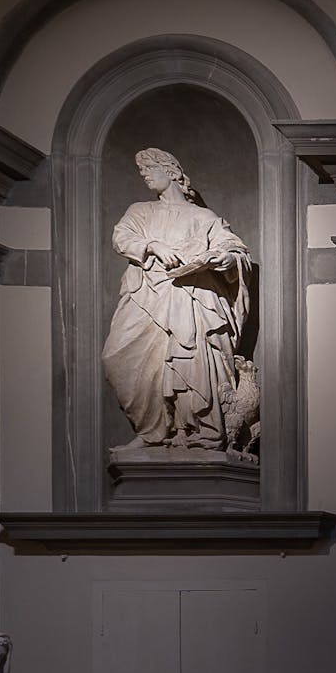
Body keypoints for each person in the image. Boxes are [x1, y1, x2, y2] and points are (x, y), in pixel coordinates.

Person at [101, 147, 253, 452]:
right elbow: (122, 237)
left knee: (192, 360)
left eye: (149, 168)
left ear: (170, 171)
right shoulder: (140, 211)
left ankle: (198, 431)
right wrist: (153, 245)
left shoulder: (204, 217)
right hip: (146, 296)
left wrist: (224, 259)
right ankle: (151, 430)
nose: (143, 175)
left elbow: (236, 250)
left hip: (193, 298)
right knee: (116, 357)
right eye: (141, 170)